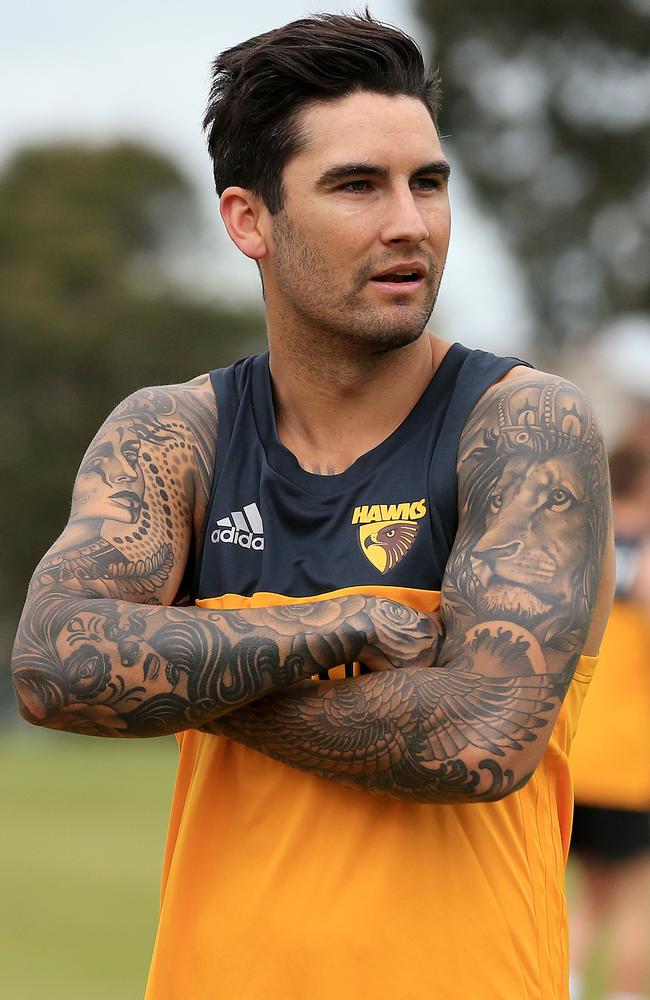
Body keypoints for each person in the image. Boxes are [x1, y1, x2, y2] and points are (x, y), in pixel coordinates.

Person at [11, 12, 614, 1000]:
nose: (408, 222)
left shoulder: (520, 425)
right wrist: (339, 625)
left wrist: (180, 668)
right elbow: (50, 663)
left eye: (427, 181)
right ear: (248, 219)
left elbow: (477, 734)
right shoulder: (175, 433)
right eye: (355, 185)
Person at [569, 443, 650, 1000]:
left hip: (572, 755)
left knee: (579, 899)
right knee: (632, 900)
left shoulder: (583, 540)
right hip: (631, 762)